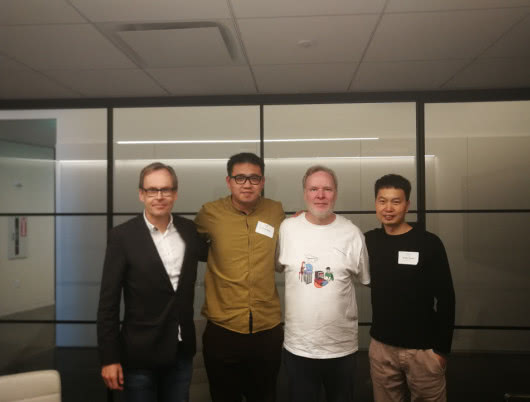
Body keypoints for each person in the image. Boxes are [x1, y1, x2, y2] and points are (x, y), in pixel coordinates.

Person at [97, 162, 206, 402]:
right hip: (139, 354)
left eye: (166, 189)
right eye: (152, 190)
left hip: (180, 352)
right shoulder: (122, 236)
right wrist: (109, 358)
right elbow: (108, 304)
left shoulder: (189, 230)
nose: (159, 196)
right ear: (141, 194)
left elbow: (220, 248)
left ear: (175, 194)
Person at [194, 152, 285, 402]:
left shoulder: (275, 211)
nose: (247, 184)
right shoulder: (210, 213)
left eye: (254, 178)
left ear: (262, 181)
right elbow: (189, 245)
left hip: (267, 329)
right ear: (229, 181)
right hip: (223, 328)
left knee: (265, 396)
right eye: (240, 178)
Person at [277, 165, 370, 402]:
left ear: (335, 193)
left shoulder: (352, 233)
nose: (320, 195)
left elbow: (366, 278)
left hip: (342, 348)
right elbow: (277, 265)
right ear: (305, 193)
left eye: (327, 189)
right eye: (314, 189)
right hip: (299, 347)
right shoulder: (287, 229)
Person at [365, 174, 455, 402]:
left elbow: (446, 298)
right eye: (382, 201)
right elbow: (333, 239)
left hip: (423, 351)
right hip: (382, 348)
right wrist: (305, 217)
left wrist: (441, 351)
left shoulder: (429, 243)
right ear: (375, 204)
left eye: (396, 201)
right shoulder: (368, 241)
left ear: (407, 205)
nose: (388, 208)